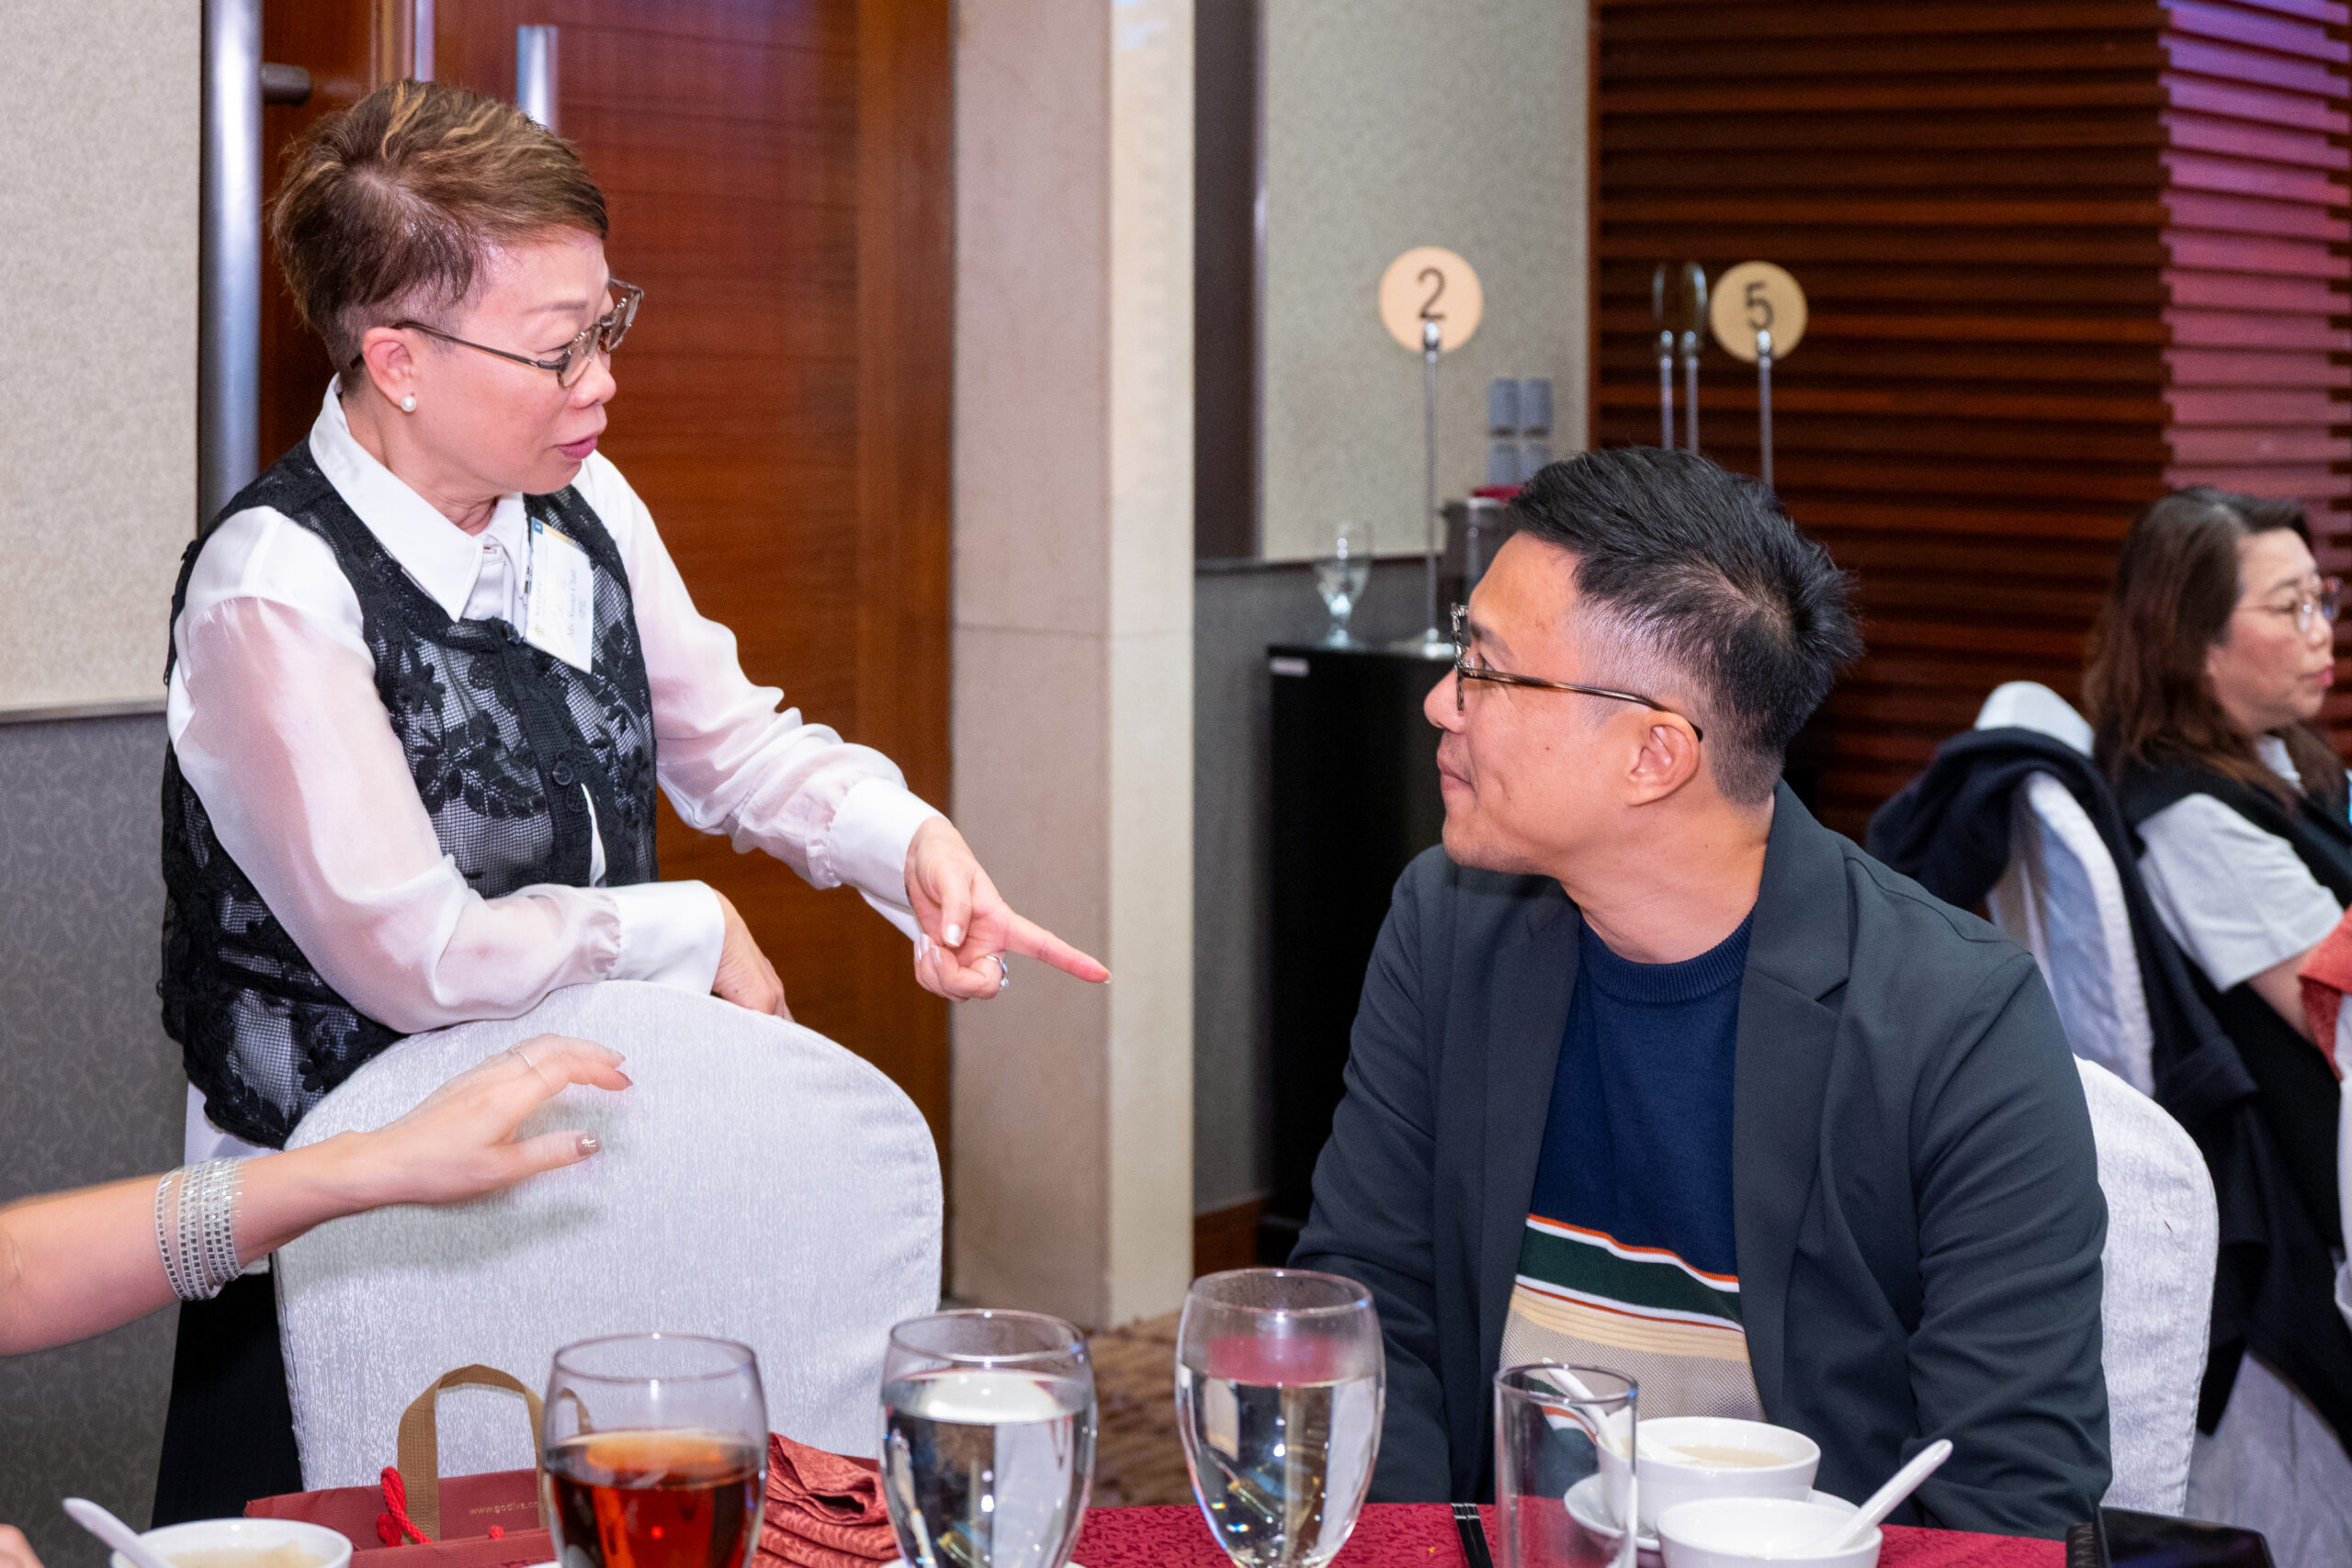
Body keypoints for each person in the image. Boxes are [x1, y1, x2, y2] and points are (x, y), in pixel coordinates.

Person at [156, 79, 1102, 1517]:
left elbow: (731, 744)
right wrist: (683, 925)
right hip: (339, 1238)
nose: (602, 381)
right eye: (559, 349)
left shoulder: (584, 505)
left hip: (584, 1186)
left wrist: (902, 837)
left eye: (609, 325)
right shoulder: (272, 586)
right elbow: (416, 955)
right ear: (397, 360)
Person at [1290, 448, 2110, 1537]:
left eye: (1486, 669)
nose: (1442, 702)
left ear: (1653, 754)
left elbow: (2010, 1492)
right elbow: (1368, 1305)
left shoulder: (1956, 1021)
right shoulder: (1448, 927)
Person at [2080, 487, 2352, 1548]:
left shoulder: (2272, 760)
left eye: (2322, 599)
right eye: (2288, 607)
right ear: (2194, 643)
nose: (2321, 631)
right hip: (2304, 1183)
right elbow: (2334, 1011)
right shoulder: (2192, 813)